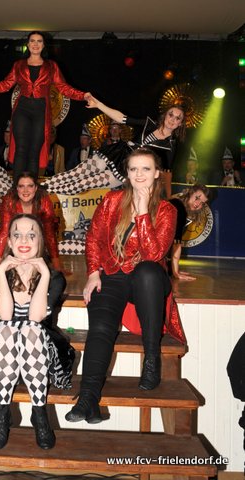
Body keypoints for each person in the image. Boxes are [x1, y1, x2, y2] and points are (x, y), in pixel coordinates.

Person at [65, 147, 186, 424]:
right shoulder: (112, 200)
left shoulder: (167, 210)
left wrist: (142, 212)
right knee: (100, 328)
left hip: (148, 284)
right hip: (112, 274)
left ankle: (151, 358)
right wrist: (93, 273)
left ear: (157, 174)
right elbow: (94, 238)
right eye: (133, 169)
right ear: (127, 173)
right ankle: (88, 399)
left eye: (146, 169)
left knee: (147, 271)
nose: (139, 174)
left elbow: (154, 254)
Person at [0, 214, 75, 450]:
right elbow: (5, 314)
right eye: (17, 235)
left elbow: (35, 317)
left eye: (31, 235)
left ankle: (39, 414)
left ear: (40, 241)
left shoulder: (54, 278)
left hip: (41, 360)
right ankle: (1, 416)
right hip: (3, 360)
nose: (24, 240)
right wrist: (1, 272)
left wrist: (44, 275)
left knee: (31, 329)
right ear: (10, 242)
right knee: (6, 328)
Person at [0, 31, 91, 181]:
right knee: (21, 149)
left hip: (40, 110)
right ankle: (17, 186)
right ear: (28, 45)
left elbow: (64, 87)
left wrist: (83, 95)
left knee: (35, 151)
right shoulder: (19, 65)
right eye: (33, 41)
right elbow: (5, 85)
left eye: (39, 41)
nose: (36, 44)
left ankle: (31, 187)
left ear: (43, 45)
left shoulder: (52, 66)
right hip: (22, 108)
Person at [42, 97, 186, 198]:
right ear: (165, 115)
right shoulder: (149, 124)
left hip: (127, 170)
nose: (173, 119)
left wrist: (168, 199)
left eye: (177, 118)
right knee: (77, 173)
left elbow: (167, 174)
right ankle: (42, 186)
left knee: (83, 184)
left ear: (180, 123)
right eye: (171, 115)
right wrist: (99, 105)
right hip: (117, 153)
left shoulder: (171, 146)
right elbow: (121, 118)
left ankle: (46, 191)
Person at [0, 171, 61, 271]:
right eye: (21, 186)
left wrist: (57, 267)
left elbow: (50, 234)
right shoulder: (9, 201)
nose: (25, 190)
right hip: (16, 246)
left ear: (36, 188)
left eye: (30, 186)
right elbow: (4, 232)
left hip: (37, 246)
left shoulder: (44, 201)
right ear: (17, 188)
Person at [168, 184, 210, 281]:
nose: (198, 204)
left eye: (202, 203)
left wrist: (174, 269)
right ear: (190, 193)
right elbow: (176, 244)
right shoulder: (179, 207)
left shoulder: (178, 204)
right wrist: (176, 273)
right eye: (197, 198)